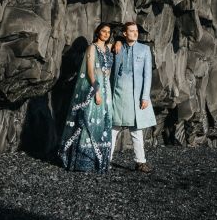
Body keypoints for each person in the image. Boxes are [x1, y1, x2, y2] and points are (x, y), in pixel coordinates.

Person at [57, 22, 114, 173]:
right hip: (94, 87)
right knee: (89, 120)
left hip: (106, 87)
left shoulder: (108, 49)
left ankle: (99, 161)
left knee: (103, 123)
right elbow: (90, 71)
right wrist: (97, 91)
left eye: (108, 32)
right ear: (98, 32)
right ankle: (83, 162)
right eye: (103, 31)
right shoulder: (92, 48)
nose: (106, 34)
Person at [111, 21, 157, 173]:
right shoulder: (117, 47)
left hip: (135, 95)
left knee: (136, 130)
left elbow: (147, 75)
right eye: (131, 31)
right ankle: (106, 160)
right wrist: (117, 41)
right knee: (114, 128)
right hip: (117, 93)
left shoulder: (144, 49)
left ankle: (140, 162)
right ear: (125, 34)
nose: (135, 33)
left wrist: (145, 97)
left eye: (136, 30)